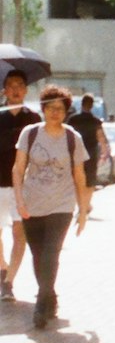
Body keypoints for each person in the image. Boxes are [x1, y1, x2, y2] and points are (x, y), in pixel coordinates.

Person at [12, 84, 91, 329]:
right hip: (32, 203)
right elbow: (18, 168)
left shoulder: (72, 138)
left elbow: (80, 176)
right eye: (50, 108)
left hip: (62, 205)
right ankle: (50, 295)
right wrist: (20, 200)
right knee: (38, 255)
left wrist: (83, 210)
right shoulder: (30, 133)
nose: (55, 112)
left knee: (51, 253)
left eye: (60, 108)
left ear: (66, 111)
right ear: (43, 109)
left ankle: (41, 304)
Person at [0, 69, 41, 301]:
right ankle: (2, 267)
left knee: (19, 234)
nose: (15, 89)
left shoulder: (34, 119)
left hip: (22, 188)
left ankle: (8, 282)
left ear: (25, 90)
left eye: (20, 85)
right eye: (11, 85)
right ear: (4, 90)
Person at [66, 93, 106, 191]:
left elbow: (66, 135)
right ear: (92, 105)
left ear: (81, 104)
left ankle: (79, 199)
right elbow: (101, 136)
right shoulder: (96, 121)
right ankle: (86, 203)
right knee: (90, 177)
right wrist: (104, 152)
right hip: (91, 152)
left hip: (76, 151)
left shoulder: (73, 119)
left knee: (76, 175)